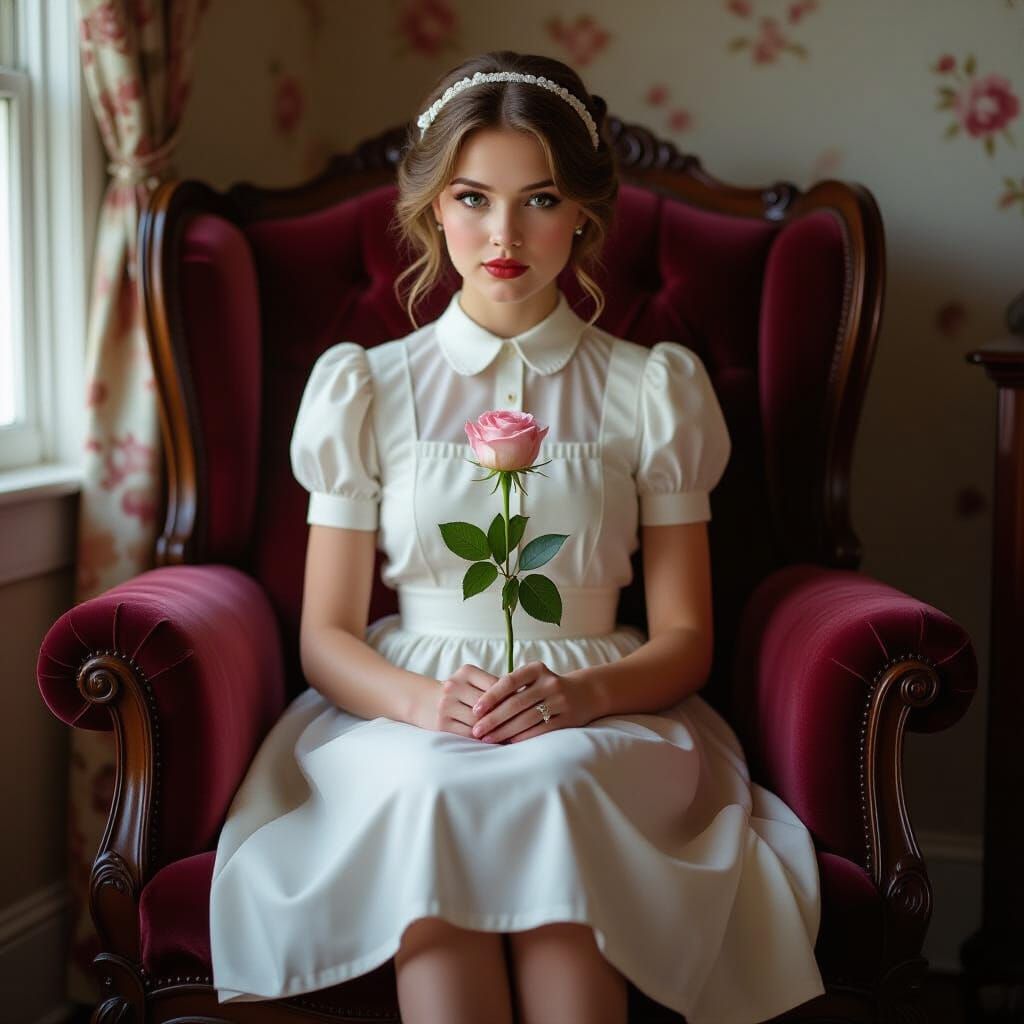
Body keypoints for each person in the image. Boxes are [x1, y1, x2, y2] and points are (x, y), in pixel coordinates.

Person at [209, 50, 826, 1024]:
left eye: (538, 200)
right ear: (432, 208)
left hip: (598, 707)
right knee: (431, 792)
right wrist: (424, 704)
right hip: (408, 711)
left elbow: (686, 638)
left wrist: (581, 695)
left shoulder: (652, 388)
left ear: (582, 212)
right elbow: (326, 637)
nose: (503, 235)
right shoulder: (364, 388)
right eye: (472, 198)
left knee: (559, 780)